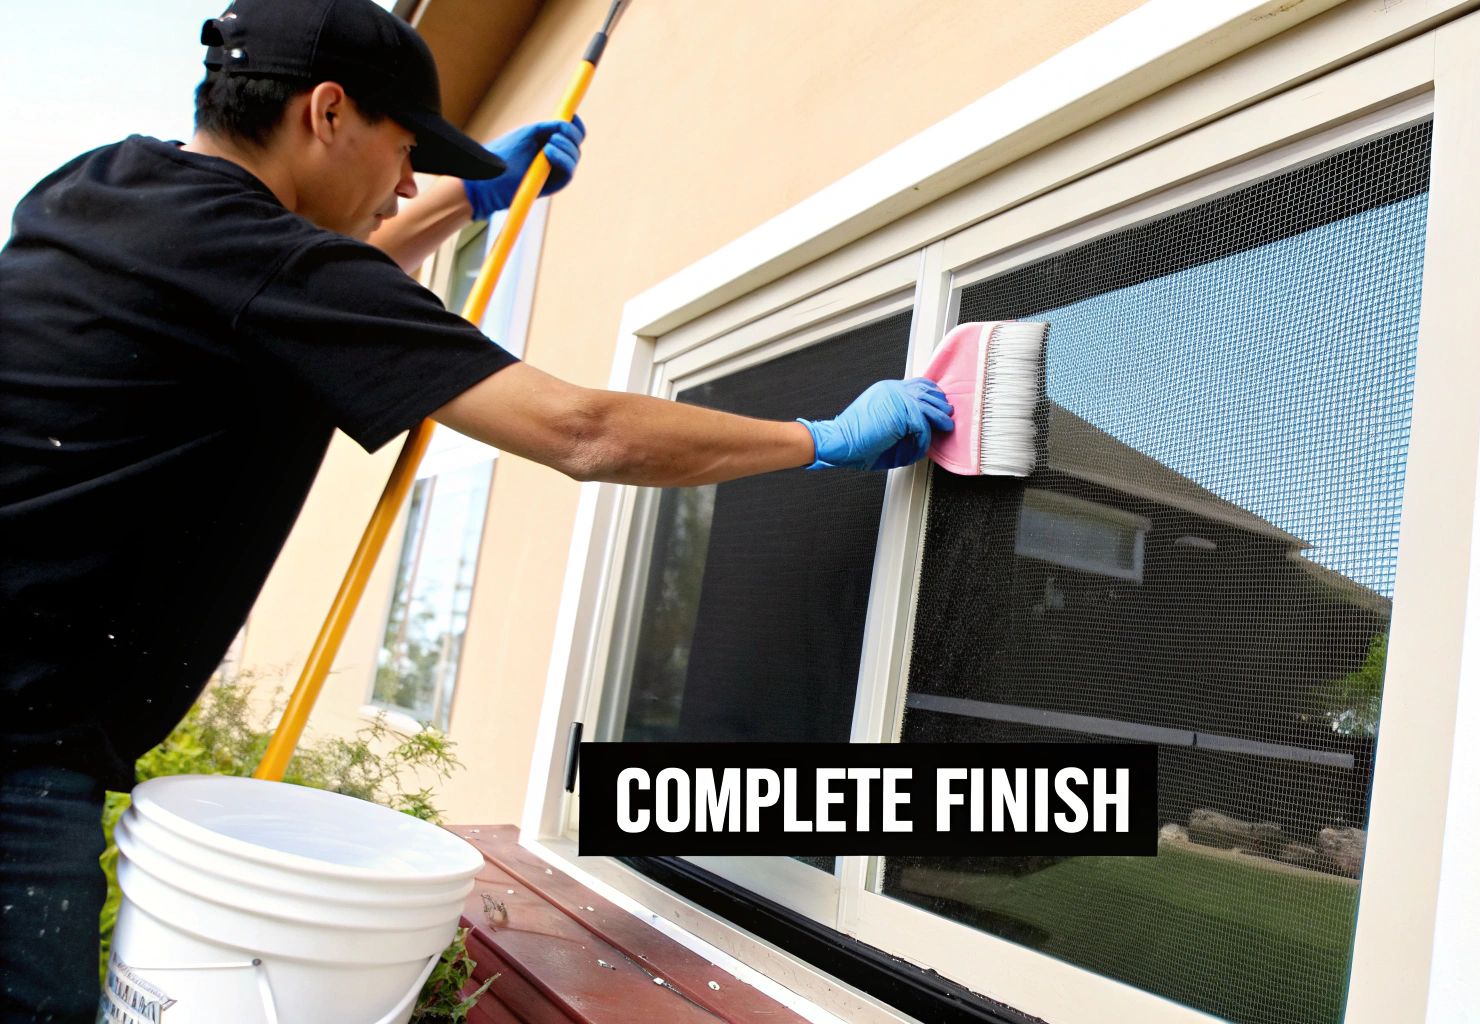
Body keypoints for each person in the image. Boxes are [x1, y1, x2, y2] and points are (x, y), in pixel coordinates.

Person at [0, 0, 951, 1017]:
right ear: (327, 113)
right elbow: (584, 431)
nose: (406, 182)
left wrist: (463, 204)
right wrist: (817, 439)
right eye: (404, 150)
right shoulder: (274, 265)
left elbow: (281, 285)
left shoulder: (99, 186)